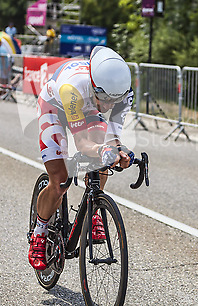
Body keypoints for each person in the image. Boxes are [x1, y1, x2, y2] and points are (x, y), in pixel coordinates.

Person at [29, 46, 135, 271]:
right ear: (94, 85)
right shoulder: (73, 86)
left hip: (86, 109)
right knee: (59, 181)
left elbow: (113, 139)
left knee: (106, 157)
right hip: (54, 108)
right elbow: (83, 144)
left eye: (114, 101)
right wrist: (103, 150)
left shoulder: (122, 93)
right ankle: (39, 233)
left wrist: (119, 152)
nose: (108, 106)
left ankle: (93, 210)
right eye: (104, 98)